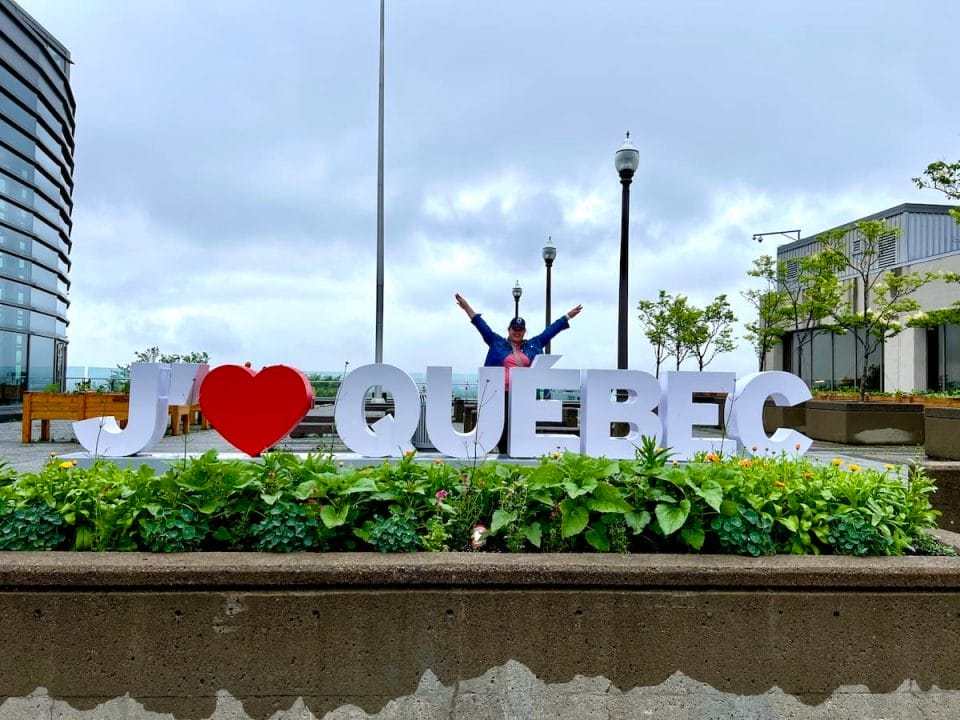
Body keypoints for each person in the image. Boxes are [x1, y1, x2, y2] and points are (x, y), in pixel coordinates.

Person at [455, 292, 583, 453]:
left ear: (524, 331)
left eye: (521, 329)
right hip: (501, 393)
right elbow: (481, 325)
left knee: (521, 424)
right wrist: (466, 307)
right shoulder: (497, 342)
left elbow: (551, 330)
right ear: (509, 330)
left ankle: (518, 452)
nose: (517, 331)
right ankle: (503, 453)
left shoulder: (534, 344)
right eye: (514, 328)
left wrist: (568, 316)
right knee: (501, 423)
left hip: (523, 395)